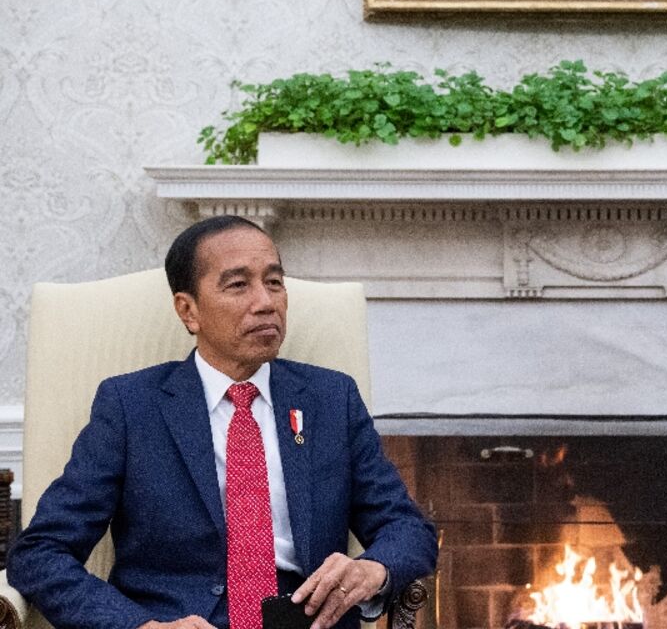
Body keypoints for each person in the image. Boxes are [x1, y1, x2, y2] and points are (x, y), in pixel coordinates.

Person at [8, 215, 437, 629]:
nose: (266, 302)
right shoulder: (131, 406)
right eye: (238, 285)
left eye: (274, 282)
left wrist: (374, 570)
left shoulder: (330, 399)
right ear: (188, 311)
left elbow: (407, 528)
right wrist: (140, 625)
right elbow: (41, 553)